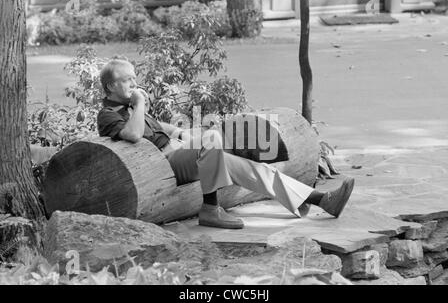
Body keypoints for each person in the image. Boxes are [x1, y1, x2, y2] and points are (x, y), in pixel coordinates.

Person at [97, 60, 355, 230]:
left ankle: (321, 200)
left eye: (134, 78)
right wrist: (140, 104)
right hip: (162, 168)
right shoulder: (109, 114)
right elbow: (132, 134)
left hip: (177, 154)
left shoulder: (130, 107)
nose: (135, 84)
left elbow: (157, 127)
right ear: (111, 86)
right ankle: (210, 208)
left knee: (252, 169)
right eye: (128, 80)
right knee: (212, 140)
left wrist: (180, 132)